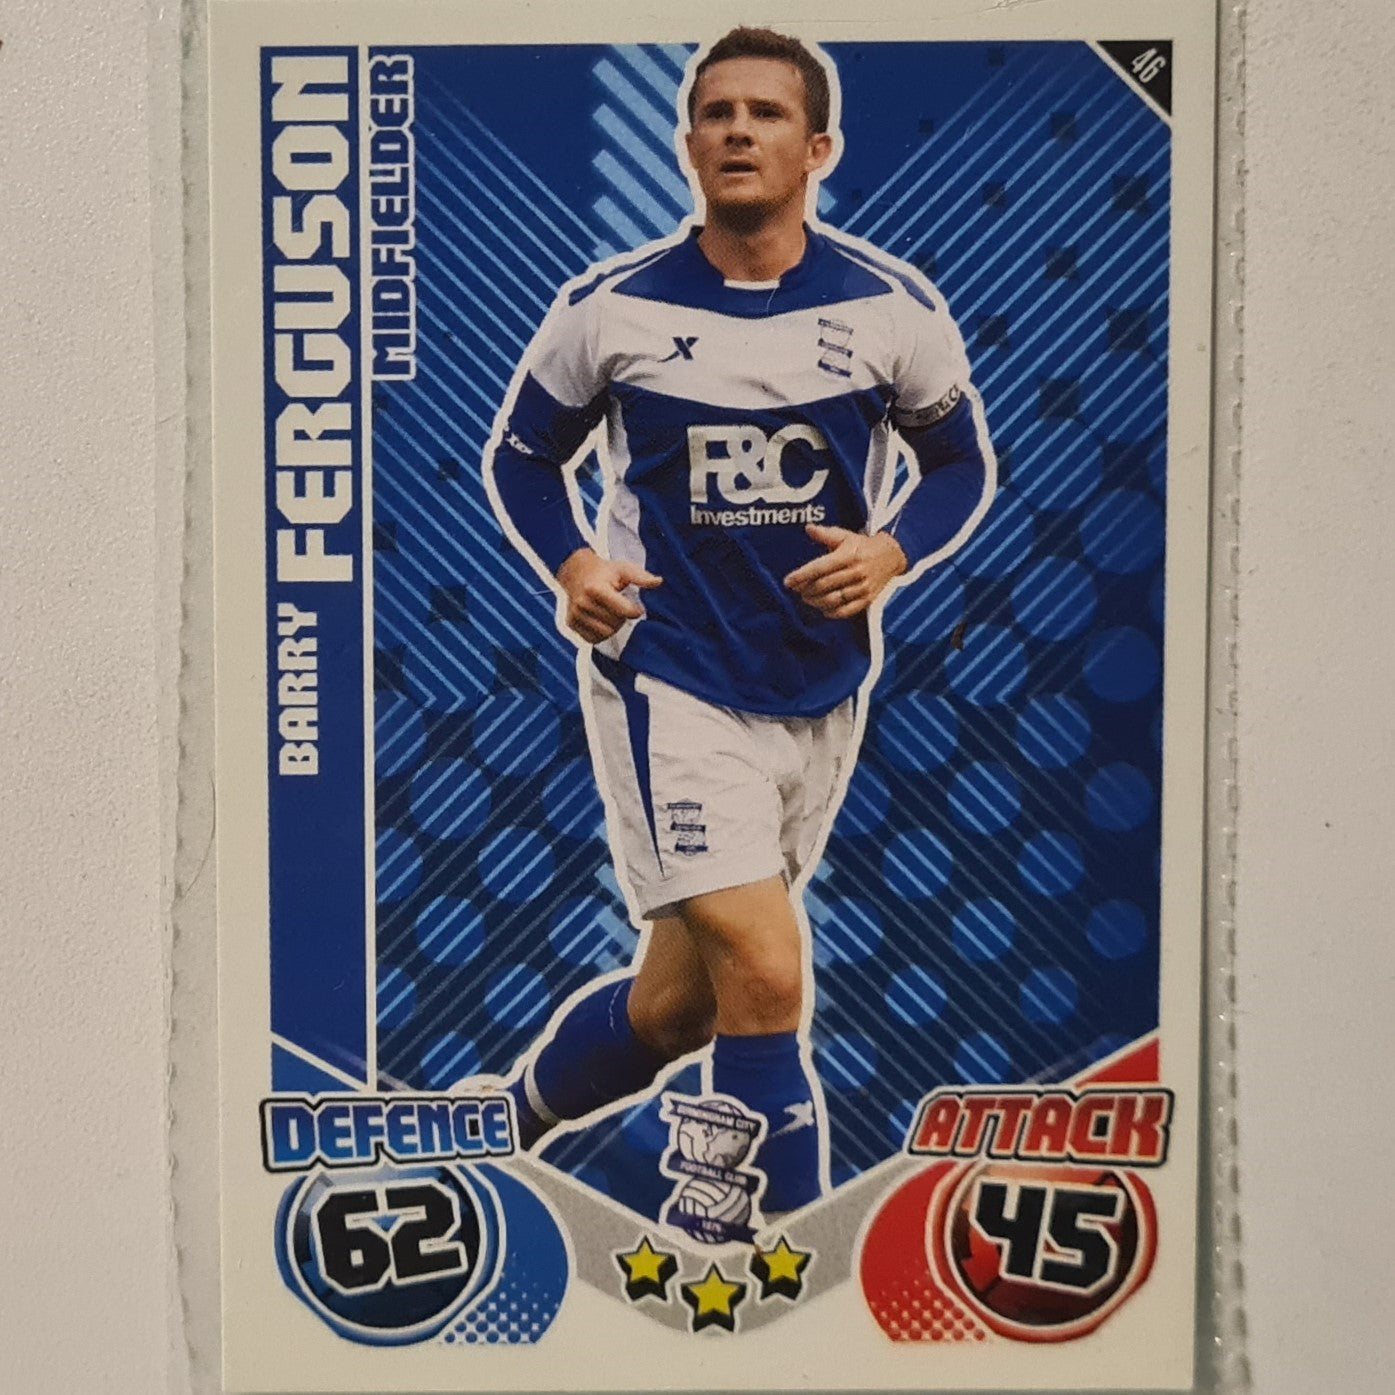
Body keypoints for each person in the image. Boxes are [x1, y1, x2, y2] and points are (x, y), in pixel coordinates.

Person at [481, 26, 995, 1221]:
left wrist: (894, 549)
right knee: (767, 967)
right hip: (671, 678)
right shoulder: (609, 310)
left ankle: (501, 1126)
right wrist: (573, 562)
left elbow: (961, 465)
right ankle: (783, 1254)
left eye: (766, 113)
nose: (738, 131)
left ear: (819, 148)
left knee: (680, 1009)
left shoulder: (891, 311)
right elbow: (522, 459)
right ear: (686, 144)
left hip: (819, 686)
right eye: (716, 113)